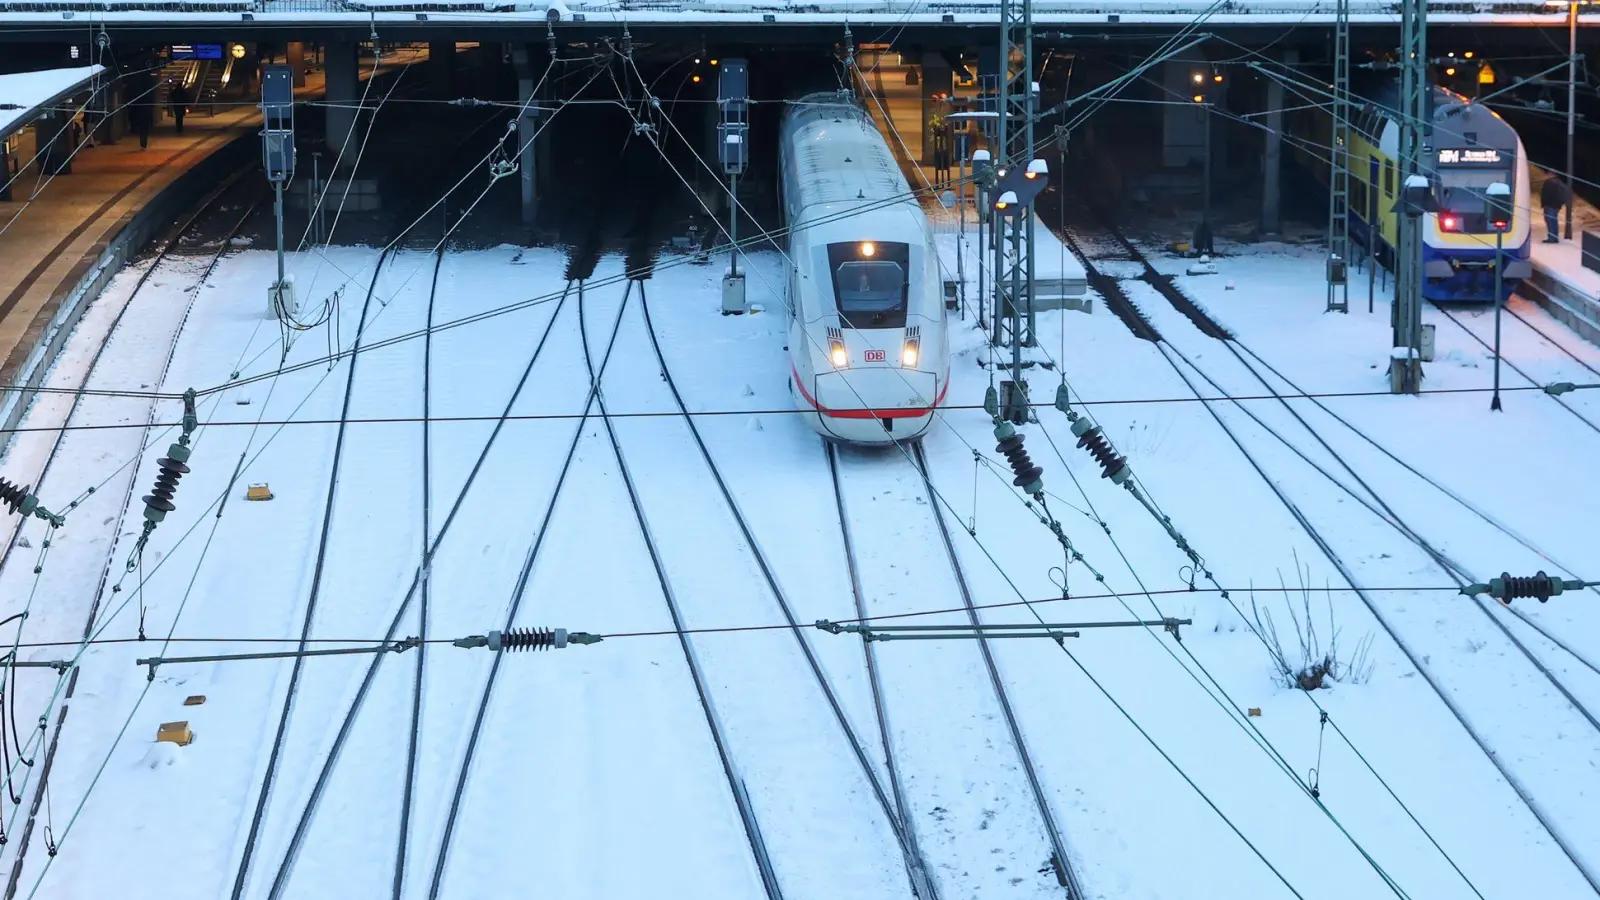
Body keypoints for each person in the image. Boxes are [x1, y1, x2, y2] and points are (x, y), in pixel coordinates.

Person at [1540, 175, 1571, 243]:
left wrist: (1544, 203)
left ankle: (1552, 238)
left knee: (1550, 221)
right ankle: (1554, 237)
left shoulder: (1550, 182)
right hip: (1556, 205)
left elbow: (1546, 194)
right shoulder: (1559, 182)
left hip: (1550, 205)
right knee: (1553, 221)